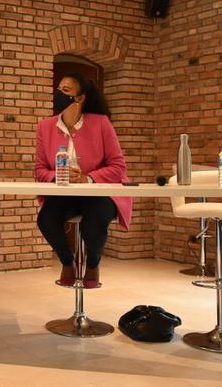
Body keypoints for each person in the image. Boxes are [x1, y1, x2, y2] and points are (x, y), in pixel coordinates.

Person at [34, 72, 132, 289]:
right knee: (46, 219)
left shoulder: (101, 123)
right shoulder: (45, 126)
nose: (59, 94)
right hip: (63, 193)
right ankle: (67, 262)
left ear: (80, 98)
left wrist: (88, 178)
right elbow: (40, 169)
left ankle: (93, 264)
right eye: (58, 89)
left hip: (97, 192)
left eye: (66, 91)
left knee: (94, 222)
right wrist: (58, 176)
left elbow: (118, 166)